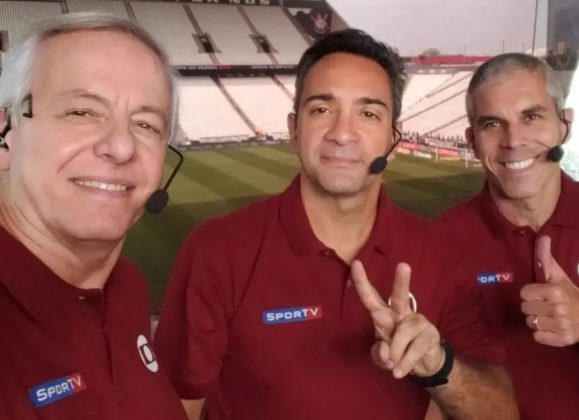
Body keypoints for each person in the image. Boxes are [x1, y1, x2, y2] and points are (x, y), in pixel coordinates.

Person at [155, 29, 517, 420]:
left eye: (368, 113)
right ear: (294, 128)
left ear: (393, 139)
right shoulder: (217, 250)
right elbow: (177, 406)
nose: (343, 133)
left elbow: (501, 412)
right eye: (322, 109)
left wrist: (439, 365)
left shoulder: (442, 254)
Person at [0, 13, 187, 420]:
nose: (121, 147)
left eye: (145, 124)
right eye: (81, 112)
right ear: (5, 133)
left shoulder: (127, 287)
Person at [438, 53, 577, 419]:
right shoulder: (438, 243)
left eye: (531, 117)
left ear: (565, 125)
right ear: (472, 140)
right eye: (493, 124)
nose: (513, 140)